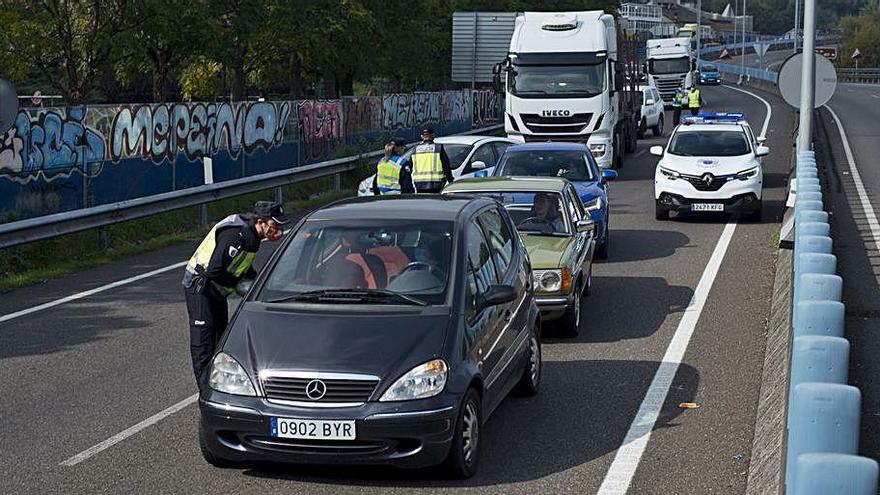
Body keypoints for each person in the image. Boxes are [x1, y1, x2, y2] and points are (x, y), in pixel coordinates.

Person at [182, 201, 288, 391]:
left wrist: (261, 285)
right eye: (275, 225)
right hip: (201, 288)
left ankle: (219, 384)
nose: (279, 229)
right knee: (203, 343)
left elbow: (243, 267)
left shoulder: (253, 237)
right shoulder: (235, 235)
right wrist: (240, 285)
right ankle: (205, 392)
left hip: (218, 290)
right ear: (261, 222)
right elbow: (215, 269)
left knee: (222, 338)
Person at [410, 126, 454, 193]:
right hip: (436, 184)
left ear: (422, 136)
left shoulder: (415, 149)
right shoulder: (438, 148)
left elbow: (410, 167)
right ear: (433, 135)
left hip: (419, 184)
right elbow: (446, 166)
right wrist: (451, 181)